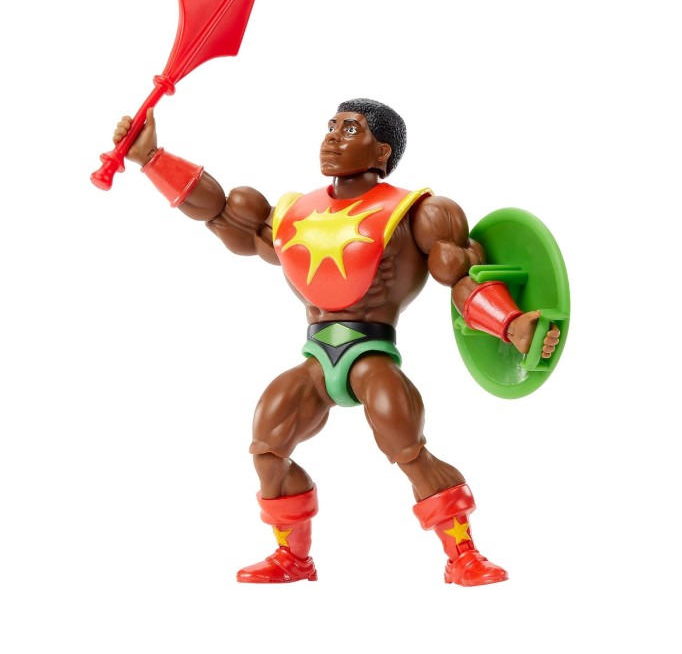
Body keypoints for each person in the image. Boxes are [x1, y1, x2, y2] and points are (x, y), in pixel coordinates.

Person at [113, 97, 559, 587]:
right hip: (317, 357)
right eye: (331, 126)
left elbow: (460, 276)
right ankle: (293, 557)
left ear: (382, 151)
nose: (331, 137)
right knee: (266, 444)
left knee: (407, 447)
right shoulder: (294, 213)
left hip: (372, 352)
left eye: (349, 129)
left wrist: (511, 324)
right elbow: (220, 212)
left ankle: (463, 555)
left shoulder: (420, 212)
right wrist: (151, 158)